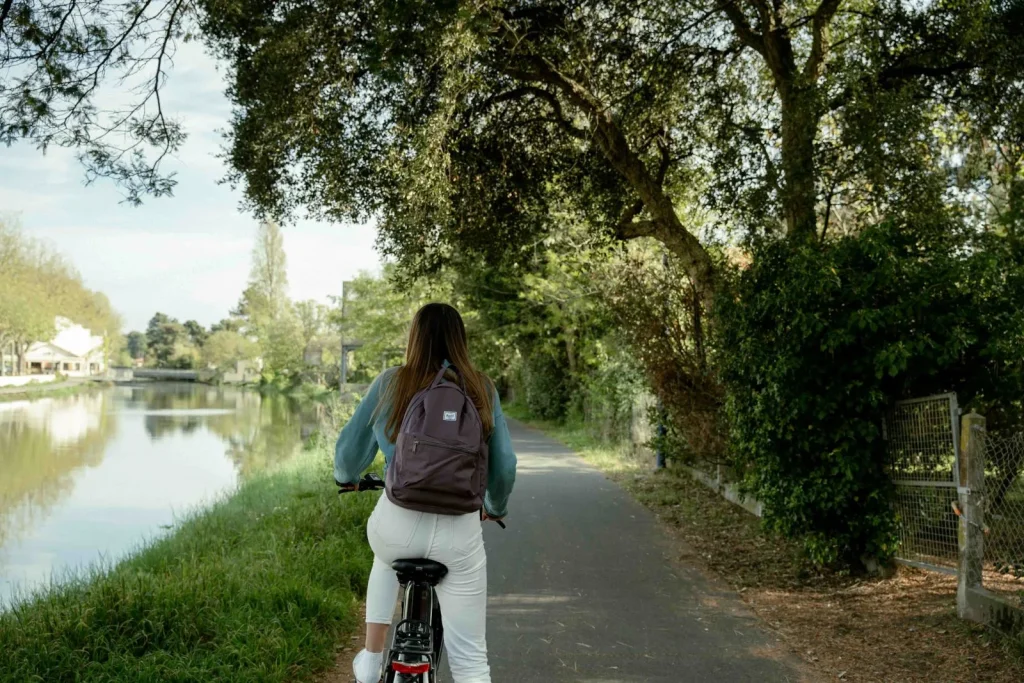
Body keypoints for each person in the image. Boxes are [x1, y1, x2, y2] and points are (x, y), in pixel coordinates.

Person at [334, 303, 517, 683]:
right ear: (460, 339)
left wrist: (346, 477)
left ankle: (370, 662)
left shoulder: (391, 383)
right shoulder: (481, 387)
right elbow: (504, 465)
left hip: (397, 523)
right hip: (459, 533)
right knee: (471, 661)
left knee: (384, 556)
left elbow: (349, 453)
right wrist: (494, 506)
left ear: (414, 338)